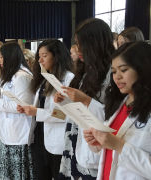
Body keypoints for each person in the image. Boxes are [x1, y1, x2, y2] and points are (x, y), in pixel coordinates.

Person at [55, 18, 115, 179]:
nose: (78, 48)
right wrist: (65, 101)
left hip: (97, 146)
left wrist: (86, 101)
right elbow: (79, 109)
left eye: (82, 43)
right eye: (76, 43)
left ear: (96, 44)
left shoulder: (113, 73)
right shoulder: (85, 70)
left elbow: (115, 118)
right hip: (78, 138)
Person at [84, 42, 151, 180]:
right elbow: (111, 154)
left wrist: (119, 145)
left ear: (143, 69)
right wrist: (97, 143)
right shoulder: (119, 102)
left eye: (123, 70)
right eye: (114, 71)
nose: (117, 77)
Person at [17, 39, 74, 180]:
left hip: (57, 139)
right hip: (39, 137)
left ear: (56, 56)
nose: (40, 60)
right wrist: (28, 109)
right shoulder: (45, 78)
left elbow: (65, 115)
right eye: (39, 56)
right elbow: (41, 106)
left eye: (44, 55)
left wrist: (36, 112)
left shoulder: (69, 79)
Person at [0, 42, 35, 179]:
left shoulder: (22, 77)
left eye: (1, 57)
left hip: (19, 133)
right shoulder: (10, 75)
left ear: (10, 57)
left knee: (17, 173)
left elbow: (23, 106)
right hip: (7, 132)